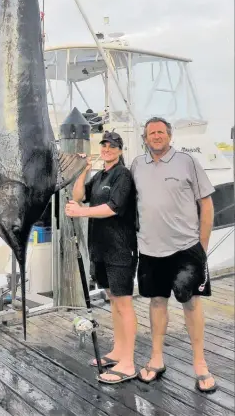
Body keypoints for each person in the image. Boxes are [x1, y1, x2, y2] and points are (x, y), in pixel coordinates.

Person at [131, 117, 216, 393]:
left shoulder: (187, 162)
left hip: (185, 248)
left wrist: (202, 246)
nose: (156, 136)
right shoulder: (137, 165)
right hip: (150, 249)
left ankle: (200, 363)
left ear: (169, 136)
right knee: (157, 302)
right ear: (145, 138)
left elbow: (206, 204)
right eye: (151, 132)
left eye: (160, 132)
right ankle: (156, 358)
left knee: (191, 303)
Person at [65, 130, 138, 384]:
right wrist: (84, 169)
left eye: (112, 146)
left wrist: (80, 213)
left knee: (124, 303)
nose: (107, 149)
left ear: (120, 150)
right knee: (113, 300)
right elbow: (77, 197)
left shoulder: (123, 176)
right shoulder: (99, 176)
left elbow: (112, 208)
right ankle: (118, 350)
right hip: (101, 249)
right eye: (104, 145)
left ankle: (128, 362)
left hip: (120, 249)